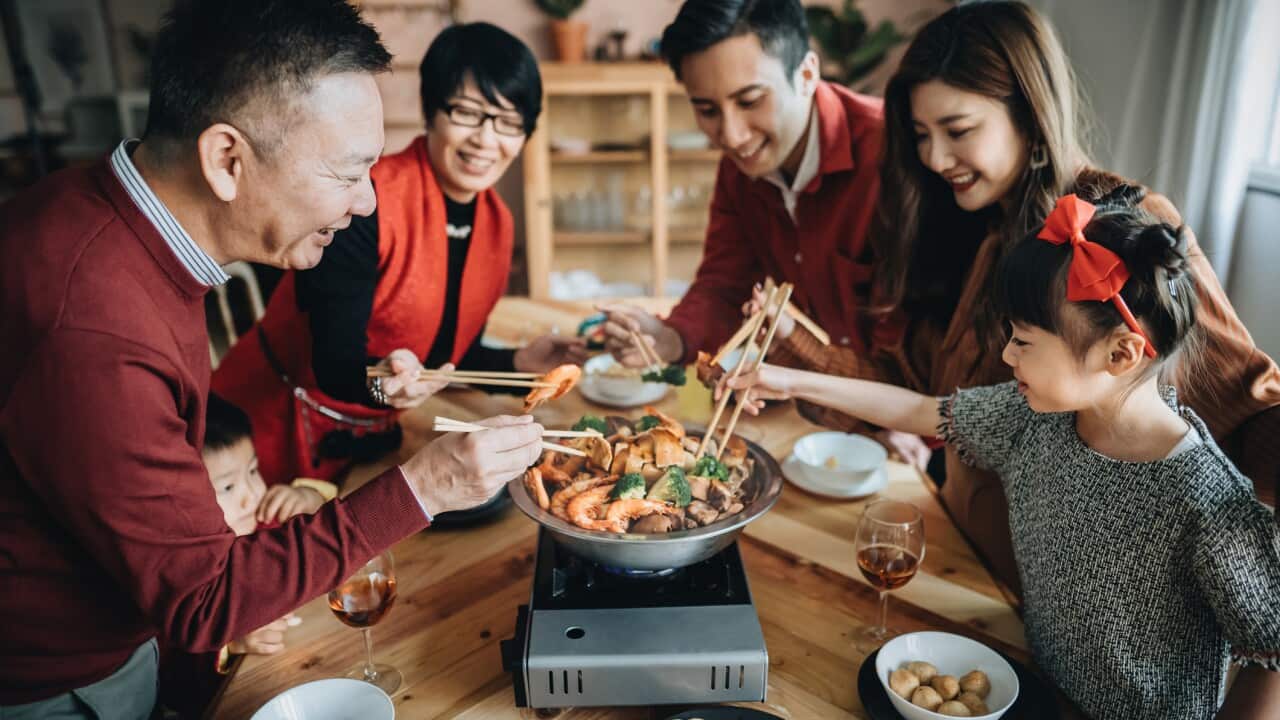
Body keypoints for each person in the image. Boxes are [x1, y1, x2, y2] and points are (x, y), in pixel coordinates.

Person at [0, 1, 542, 715]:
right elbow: (203, 598)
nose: (362, 205)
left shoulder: (110, 217)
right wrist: (428, 486)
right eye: (347, 173)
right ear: (226, 158)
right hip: (62, 676)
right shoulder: (95, 325)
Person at [726, 190, 1280, 720]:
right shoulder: (1037, 420)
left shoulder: (1209, 505)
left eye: (1025, 341)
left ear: (1121, 353)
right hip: (1036, 690)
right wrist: (789, 380)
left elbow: (1272, 657)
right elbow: (924, 412)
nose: (1006, 353)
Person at [855, 0, 1280, 597]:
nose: (932, 158)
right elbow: (936, 389)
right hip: (967, 566)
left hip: (1064, 614)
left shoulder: (1120, 226)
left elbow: (1253, 396)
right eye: (922, 136)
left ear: (1029, 114)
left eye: (958, 131)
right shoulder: (987, 232)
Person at [211, 22, 586, 490]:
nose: (487, 140)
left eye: (509, 122)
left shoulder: (496, 221)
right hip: (262, 431)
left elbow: (440, 352)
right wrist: (380, 386)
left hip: (374, 437)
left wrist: (518, 363)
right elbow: (335, 357)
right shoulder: (365, 200)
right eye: (468, 113)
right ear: (432, 110)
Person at [595, 0, 927, 466]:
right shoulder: (741, 170)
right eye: (707, 110)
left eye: (750, 100)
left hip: (902, 427)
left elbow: (920, 341)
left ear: (808, 74)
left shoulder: (891, 159)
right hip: (811, 420)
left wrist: (891, 420)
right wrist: (668, 338)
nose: (730, 135)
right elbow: (723, 286)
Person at [159, 394, 326, 719]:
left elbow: (331, 520)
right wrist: (230, 646)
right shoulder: (177, 572)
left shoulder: (262, 519)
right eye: (228, 489)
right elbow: (172, 677)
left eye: (253, 471)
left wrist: (308, 497)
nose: (253, 495)